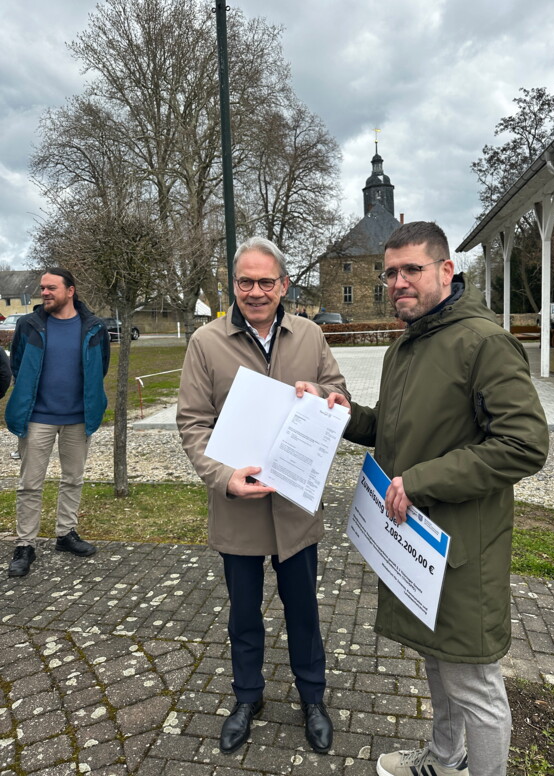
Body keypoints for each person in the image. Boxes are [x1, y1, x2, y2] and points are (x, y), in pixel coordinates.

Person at [298, 221, 549, 776]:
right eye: (390, 272)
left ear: (445, 271)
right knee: (439, 661)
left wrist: (423, 481)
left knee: (474, 683)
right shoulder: (405, 348)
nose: (398, 282)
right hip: (418, 544)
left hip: (464, 546)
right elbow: (388, 430)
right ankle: (442, 758)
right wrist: (335, 406)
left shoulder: (483, 342)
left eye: (412, 269)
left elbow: (525, 445)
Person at [177, 237, 349, 756]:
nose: (255, 291)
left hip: (295, 505)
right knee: (243, 613)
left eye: (265, 282)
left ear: (284, 285)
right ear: (233, 285)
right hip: (239, 508)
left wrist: (329, 399)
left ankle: (313, 698)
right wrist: (220, 476)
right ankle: (246, 697)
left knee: (304, 611)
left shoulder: (312, 336)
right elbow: (192, 423)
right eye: (245, 282)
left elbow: (339, 394)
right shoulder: (205, 343)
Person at [5, 268, 110, 577]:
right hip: (37, 418)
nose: (45, 293)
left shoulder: (94, 327)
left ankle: (65, 534)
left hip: (78, 418)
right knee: (29, 484)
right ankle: (25, 545)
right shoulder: (29, 325)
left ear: (70, 291)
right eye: (42, 288)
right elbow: (18, 365)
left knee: (73, 479)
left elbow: (99, 367)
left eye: (51, 288)